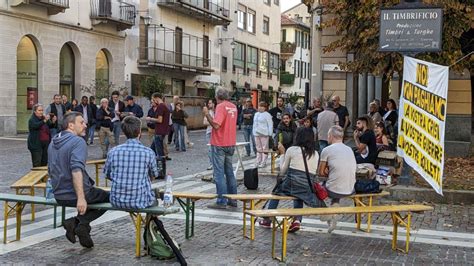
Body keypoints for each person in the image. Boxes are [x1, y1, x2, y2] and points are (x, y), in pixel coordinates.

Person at [48, 112, 109, 248]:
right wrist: (81, 198)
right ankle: (77, 222)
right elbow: (76, 170)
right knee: (110, 197)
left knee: (92, 197)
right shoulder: (77, 142)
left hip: (59, 194)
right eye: (81, 122)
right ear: (71, 125)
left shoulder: (53, 142)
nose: (85, 125)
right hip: (74, 194)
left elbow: (50, 169)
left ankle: (84, 229)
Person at [259, 128, 321, 232]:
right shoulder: (316, 153)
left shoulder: (292, 150)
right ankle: (297, 220)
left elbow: (283, 171)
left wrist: (283, 153)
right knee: (299, 194)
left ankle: (268, 219)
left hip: (292, 183)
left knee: (276, 192)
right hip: (306, 186)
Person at [104, 116, 159, 209]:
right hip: (140, 201)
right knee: (155, 201)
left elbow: (108, 175)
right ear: (139, 131)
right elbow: (154, 175)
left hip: (116, 200)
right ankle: (150, 223)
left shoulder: (113, 151)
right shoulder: (148, 152)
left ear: (124, 132)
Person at [202, 87, 238, 209]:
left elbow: (216, 125)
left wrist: (207, 114)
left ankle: (221, 200)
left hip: (219, 143)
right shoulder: (233, 106)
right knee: (230, 173)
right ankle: (233, 200)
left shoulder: (221, 106)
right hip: (231, 142)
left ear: (217, 97)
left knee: (218, 173)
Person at [318, 125, 356, 233]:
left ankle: (326, 212)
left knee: (317, 188)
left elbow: (321, 172)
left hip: (334, 189)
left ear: (331, 136)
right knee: (335, 182)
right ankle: (334, 212)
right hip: (350, 189)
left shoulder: (327, 150)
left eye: (328, 135)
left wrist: (329, 171)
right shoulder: (349, 149)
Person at [146, 92, 169, 159]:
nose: (152, 101)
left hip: (159, 131)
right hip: (161, 131)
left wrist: (150, 118)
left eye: (153, 99)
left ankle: (161, 165)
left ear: (156, 98)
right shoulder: (164, 106)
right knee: (152, 149)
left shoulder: (160, 106)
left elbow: (159, 120)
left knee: (159, 153)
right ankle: (149, 161)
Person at [252, 102, 273, 168]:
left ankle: (264, 161)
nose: (260, 107)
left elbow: (270, 124)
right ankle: (258, 160)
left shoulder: (267, 115)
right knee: (258, 148)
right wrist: (253, 131)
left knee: (264, 148)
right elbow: (254, 123)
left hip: (264, 133)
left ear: (265, 108)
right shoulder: (256, 114)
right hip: (256, 133)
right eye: (259, 106)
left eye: (262, 106)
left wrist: (270, 134)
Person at [203, 99, 215, 170]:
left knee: (216, 149)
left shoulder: (217, 112)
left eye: (210, 103)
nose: (208, 105)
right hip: (209, 132)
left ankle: (215, 163)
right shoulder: (208, 112)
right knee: (210, 149)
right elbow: (204, 122)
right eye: (208, 103)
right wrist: (212, 122)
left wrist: (211, 121)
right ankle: (211, 164)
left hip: (215, 132)